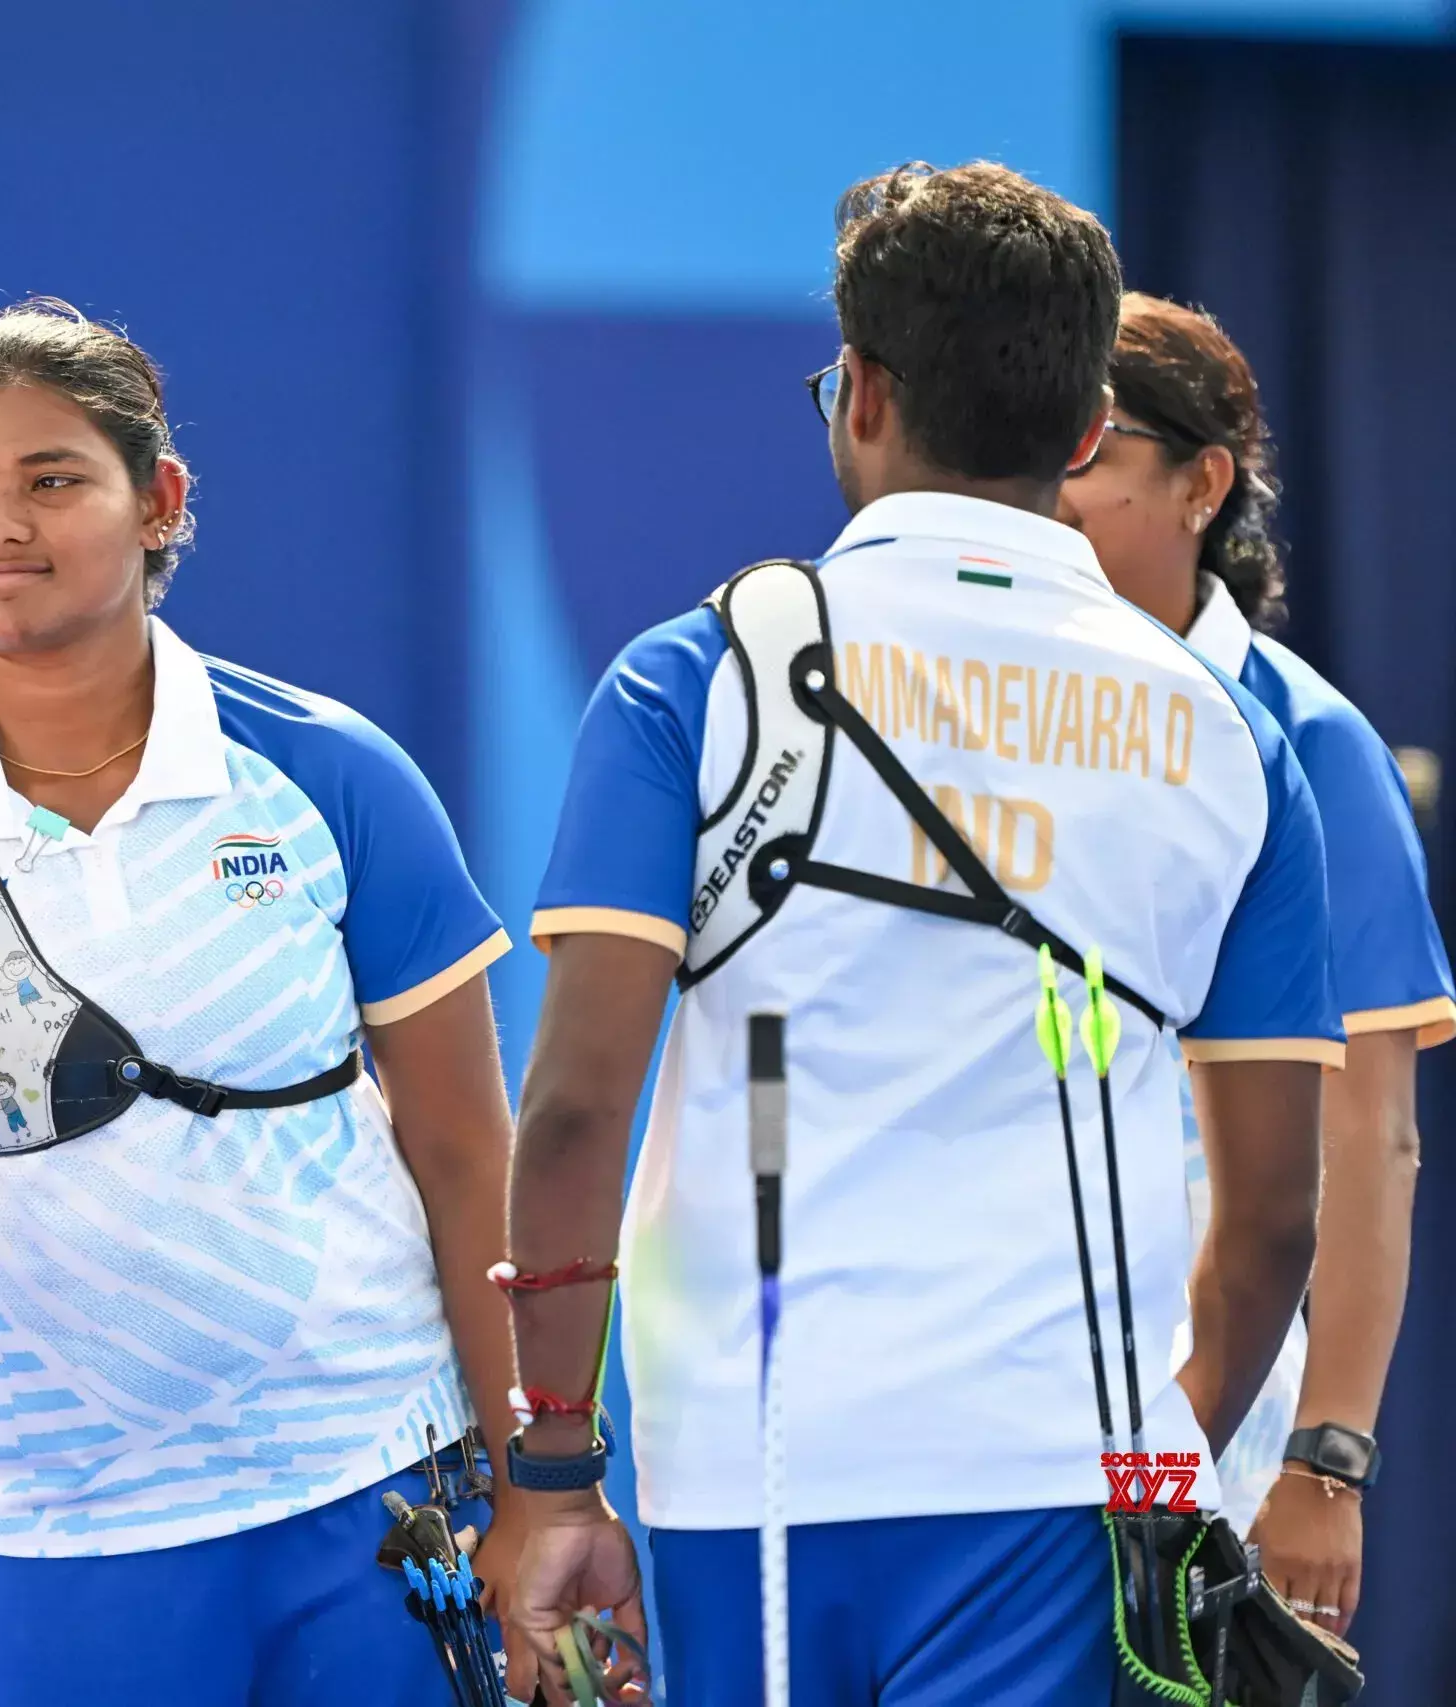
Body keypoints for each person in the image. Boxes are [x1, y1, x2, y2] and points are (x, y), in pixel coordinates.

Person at [501, 165, 1338, 1705]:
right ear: (1089, 428)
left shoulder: (697, 679)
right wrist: (1160, 1466)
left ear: (863, 395)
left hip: (746, 1471)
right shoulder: (1232, 736)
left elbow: (569, 1111)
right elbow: (1281, 1207)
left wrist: (555, 1461)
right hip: (1075, 1476)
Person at [0, 299, 526, 1704]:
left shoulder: (334, 776)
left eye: (52, 480)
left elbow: (466, 1150)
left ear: (160, 502)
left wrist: (539, 1488)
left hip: (367, 1482)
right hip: (57, 1525)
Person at [1056, 292, 1452, 1637]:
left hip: (1210, 1434)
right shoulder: (1007, 722)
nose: (1049, 497)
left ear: (1202, 482)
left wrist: (1322, 1461)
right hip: (1011, 1401)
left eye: (1092, 459)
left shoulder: (1313, 745)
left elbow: (1372, 1138)